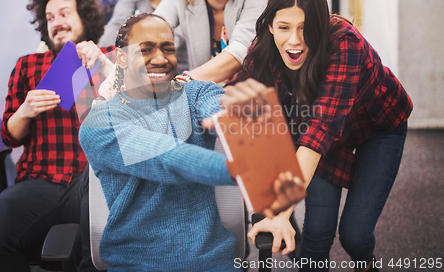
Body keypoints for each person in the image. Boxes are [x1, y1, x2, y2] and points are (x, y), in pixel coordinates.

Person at [78, 13, 306, 271]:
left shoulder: (196, 93)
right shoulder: (99, 122)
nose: (161, 59)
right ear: (121, 58)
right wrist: (244, 168)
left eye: (168, 49)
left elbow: (219, 108)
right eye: (146, 49)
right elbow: (167, 158)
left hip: (213, 261)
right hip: (138, 264)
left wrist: (240, 122)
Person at [229, 0, 413, 271]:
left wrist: (279, 213)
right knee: (316, 236)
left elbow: (321, 130)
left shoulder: (345, 41)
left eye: (305, 28)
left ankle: (367, 264)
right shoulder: (263, 46)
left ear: (320, 25)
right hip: (325, 138)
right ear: (270, 26)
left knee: (355, 236)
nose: (294, 40)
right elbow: (237, 89)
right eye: (284, 27)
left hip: (376, 127)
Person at [0, 0, 114, 272]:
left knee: (101, 241)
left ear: (83, 18)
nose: (57, 23)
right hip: (40, 180)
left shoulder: (109, 56)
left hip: (91, 182)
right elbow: (9, 137)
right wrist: (24, 111)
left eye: (65, 14)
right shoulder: (27, 64)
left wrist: (102, 63)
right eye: (50, 18)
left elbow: (137, 110)